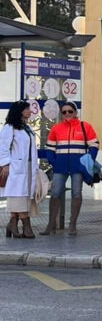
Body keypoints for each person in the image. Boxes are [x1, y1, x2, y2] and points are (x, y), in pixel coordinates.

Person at [43, 101, 99, 236]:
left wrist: (88, 160)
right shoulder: (56, 128)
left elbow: (94, 145)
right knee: (55, 193)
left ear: (75, 112)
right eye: (64, 112)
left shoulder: (86, 126)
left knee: (76, 193)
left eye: (70, 111)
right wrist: (54, 162)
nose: (67, 114)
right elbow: (50, 148)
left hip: (78, 167)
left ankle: (72, 224)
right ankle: (51, 224)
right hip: (60, 167)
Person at [2, 101, 40, 239]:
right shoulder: (9, 127)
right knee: (19, 196)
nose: (30, 111)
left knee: (25, 195)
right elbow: (3, 147)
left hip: (28, 167)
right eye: (27, 109)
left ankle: (12, 224)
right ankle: (26, 227)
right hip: (16, 167)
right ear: (19, 111)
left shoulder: (26, 127)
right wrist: (5, 164)